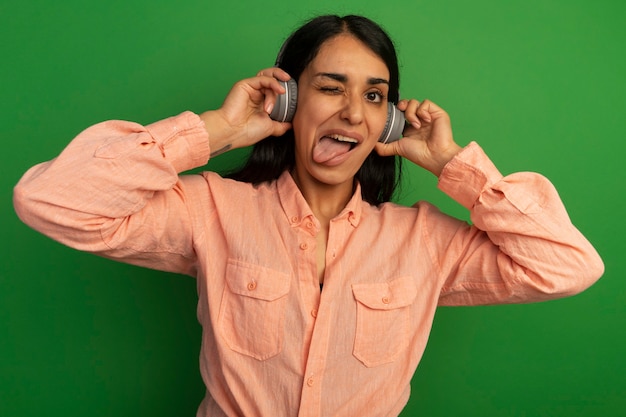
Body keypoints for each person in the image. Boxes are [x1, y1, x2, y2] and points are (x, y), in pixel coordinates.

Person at [13, 14, 603, 417]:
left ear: (388, 123)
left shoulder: (425, 242)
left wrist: (452, 164)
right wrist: (215, 130)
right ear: (289, 100)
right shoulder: (211, 210)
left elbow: (568, 266)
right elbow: (51, 201)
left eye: (374, 96)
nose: (352, 113)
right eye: (330, 88)